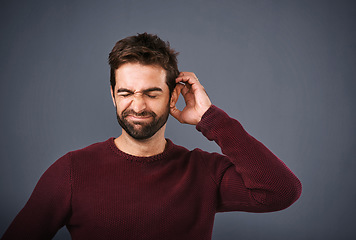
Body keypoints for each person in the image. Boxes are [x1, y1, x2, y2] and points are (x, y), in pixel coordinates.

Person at [2, 33, 302, 240]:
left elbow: (280, 191)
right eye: (126, 92)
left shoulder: (203, 172)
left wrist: (211, 119)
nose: (138, 105)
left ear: (172, 96)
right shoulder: (71, 171)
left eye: (151, 93)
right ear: (113, 95)